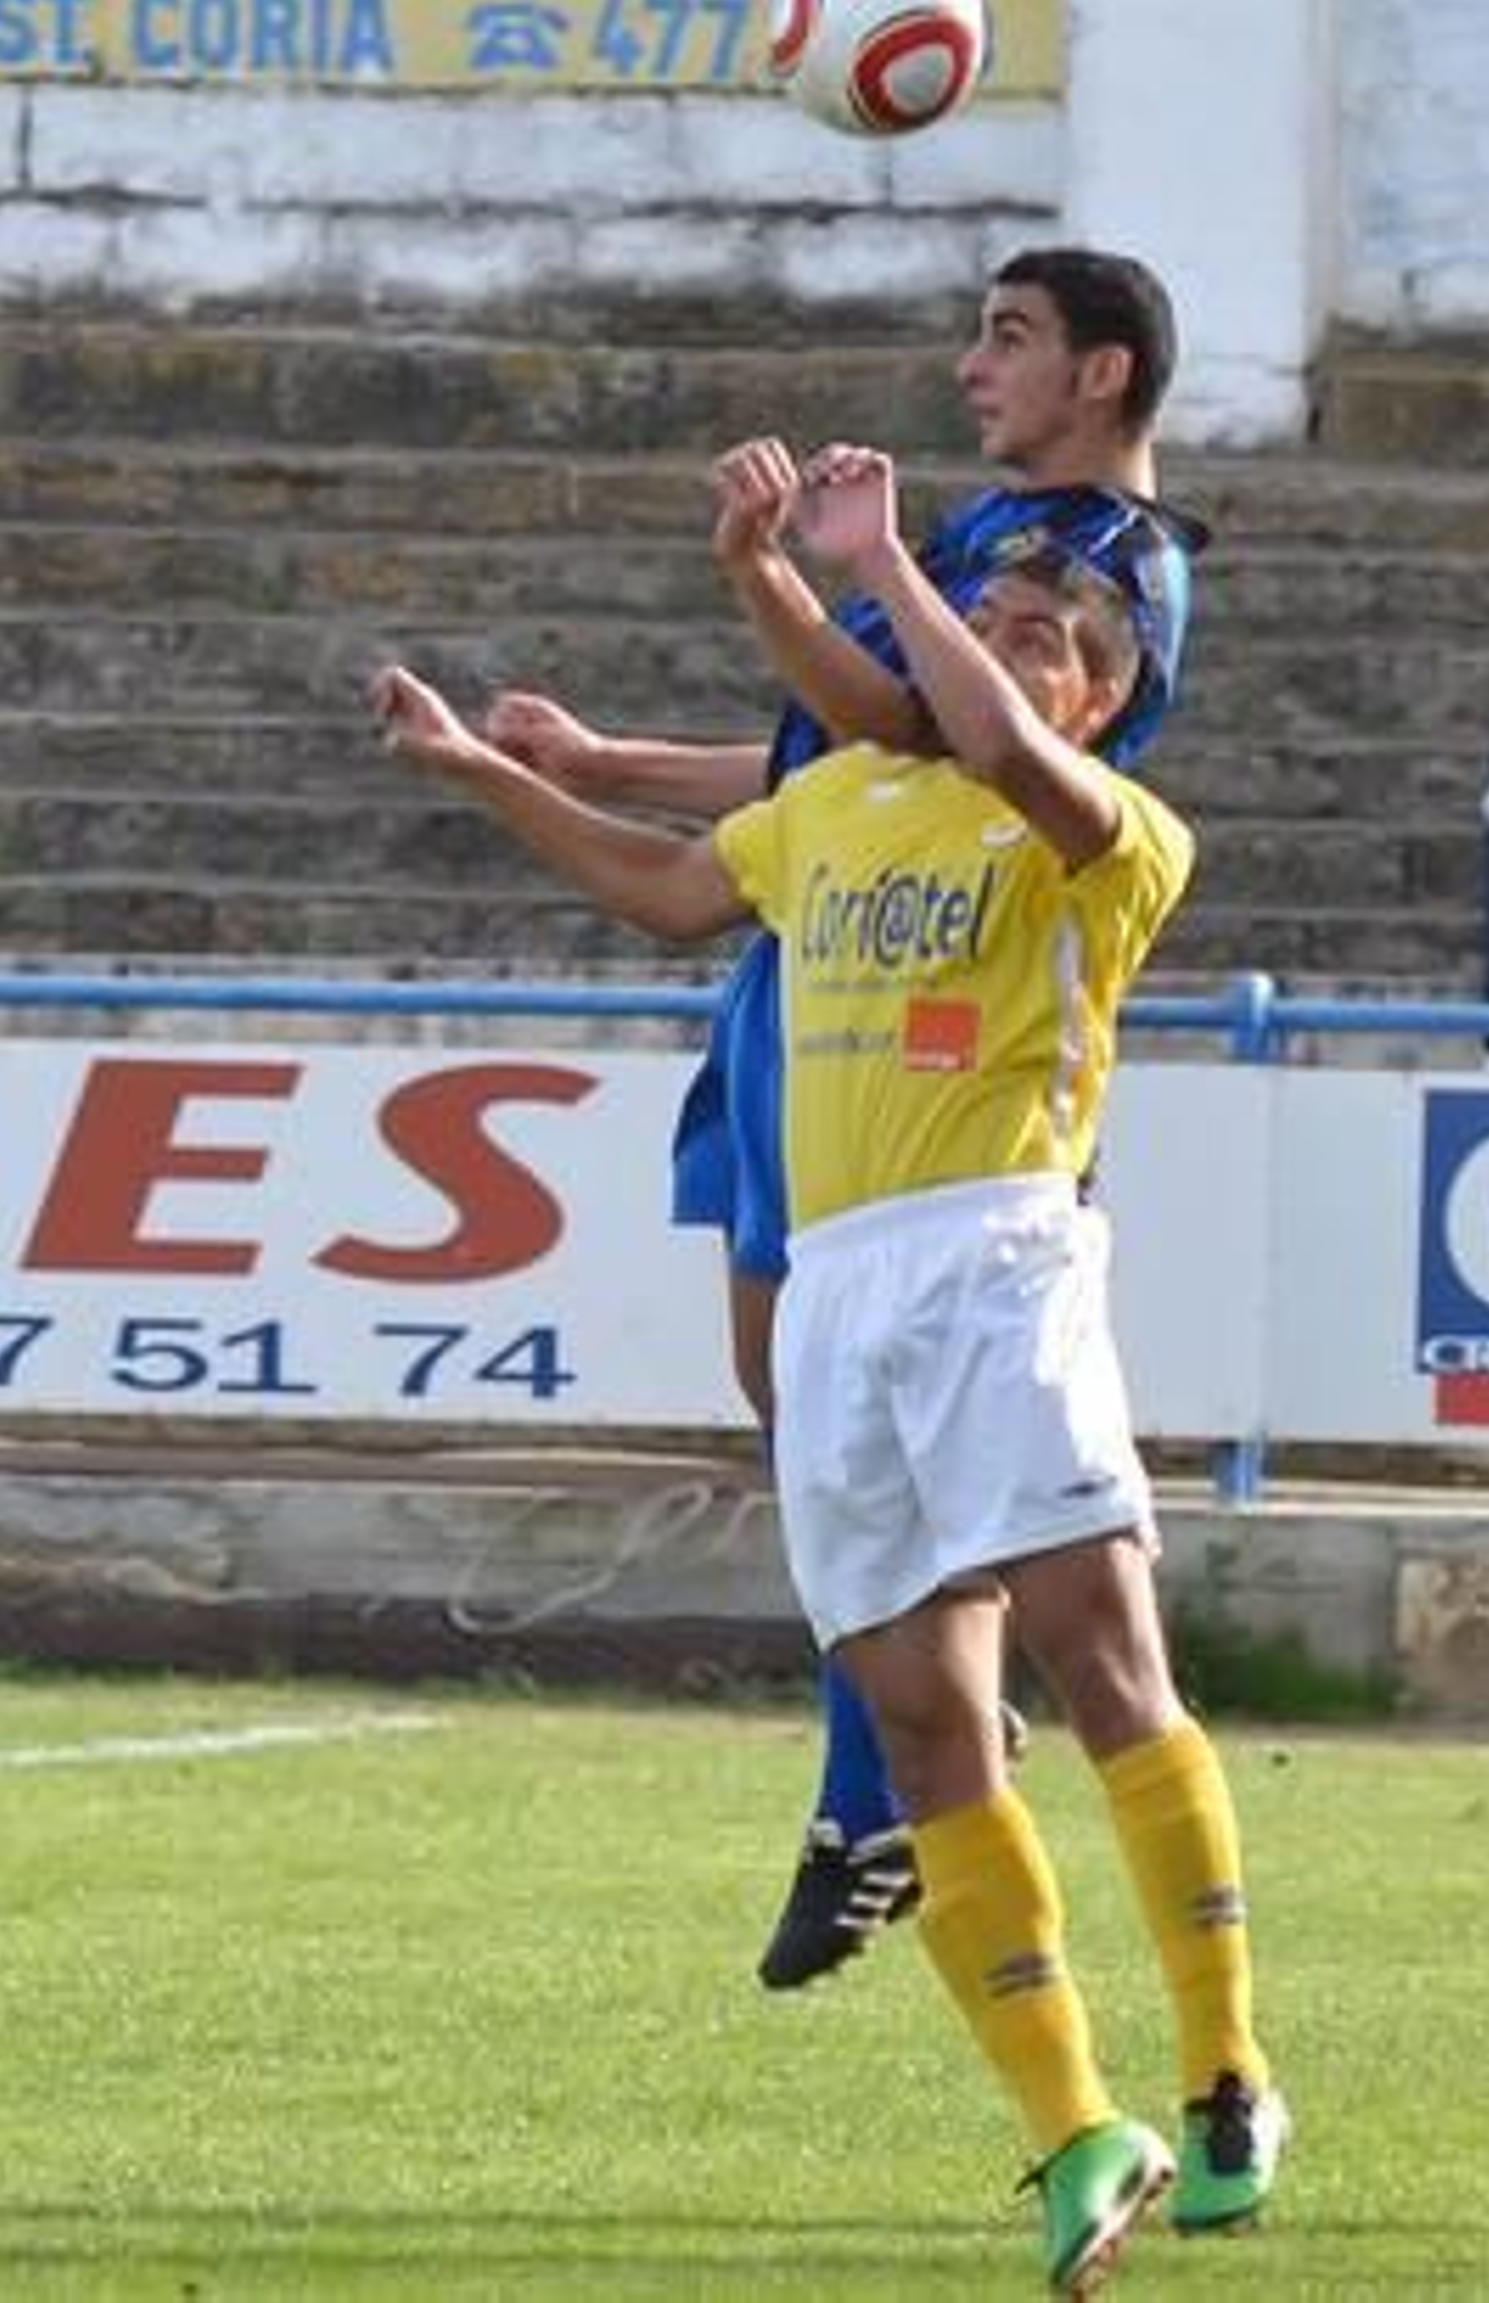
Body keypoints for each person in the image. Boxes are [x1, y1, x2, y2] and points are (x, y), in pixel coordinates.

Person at [368, 455, 1287, 2296]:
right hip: (841, 1293)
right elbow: (666, 893)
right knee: (929, 1719)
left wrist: (871, 571)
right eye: (999, 615)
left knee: (1107, 1665)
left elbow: (1010, 748)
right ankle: (1073, 2126)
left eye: (1061, 637)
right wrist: (489, 769)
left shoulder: (1099, 824)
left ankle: (1226, 2068)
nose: (1021, 644)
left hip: (1000, 1257)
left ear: (1107, 698)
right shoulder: (841, 798)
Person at [483, 247, 1207, 1993]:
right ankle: (890, 1777)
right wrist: (601, 762)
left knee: (881, 1409)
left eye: (1010, 339)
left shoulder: (1103, 567)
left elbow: (903, 726)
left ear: (1104, 376)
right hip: (821, 951)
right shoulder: (978, 538)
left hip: (926, 1006)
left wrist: (785, 569)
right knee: (789, 1379)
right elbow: (837, 763)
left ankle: (881, 1792)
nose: (974, 368)